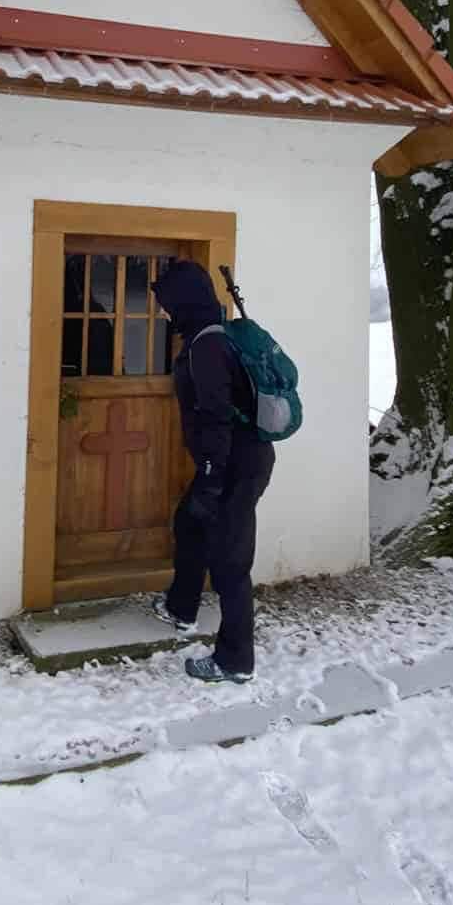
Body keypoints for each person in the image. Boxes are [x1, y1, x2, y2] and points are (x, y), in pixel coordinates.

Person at [148, 259, 275, 683]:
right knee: (190, 523)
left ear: (183, 302)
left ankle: (235, 660)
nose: (163, 312)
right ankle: (181, 607)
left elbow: (216, 418)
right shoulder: (211, 336)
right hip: (234, 459)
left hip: (235, 463)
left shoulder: (208, 347)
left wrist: (209, 475)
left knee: (230, 563)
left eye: (165, 304)